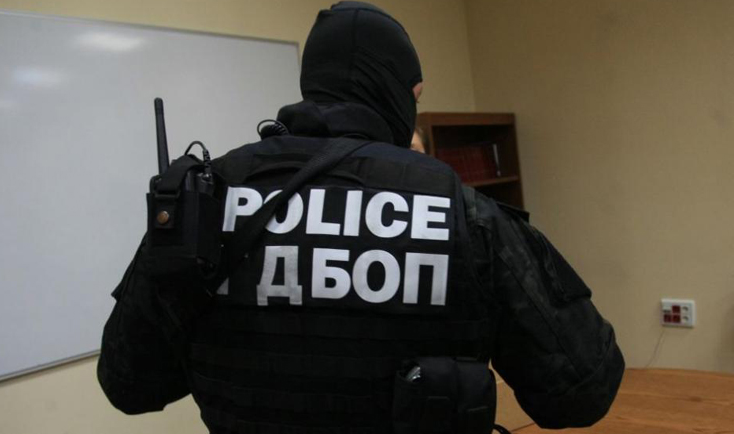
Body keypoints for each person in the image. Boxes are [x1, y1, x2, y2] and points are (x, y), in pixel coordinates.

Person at [97, 2, 624, 433]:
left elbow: (128, 384)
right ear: (396, 91)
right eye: (415, 95)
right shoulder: (460, 212)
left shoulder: (205, 202)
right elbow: (582, 392)